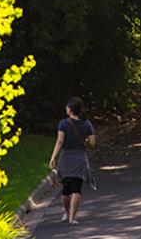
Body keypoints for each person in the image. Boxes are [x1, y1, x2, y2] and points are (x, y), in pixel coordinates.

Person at [49, 96, 97, 225]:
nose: (65, 108)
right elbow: (93, 142)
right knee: (77, 188)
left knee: (66, 189)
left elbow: (60, 141)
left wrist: (53, 157)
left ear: (70, 109)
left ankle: (66, 212)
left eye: (67, 106)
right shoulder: (87, 124)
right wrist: (85, 140)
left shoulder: (63, 123)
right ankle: (72, 218)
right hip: (80, 158)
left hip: (66, 158)